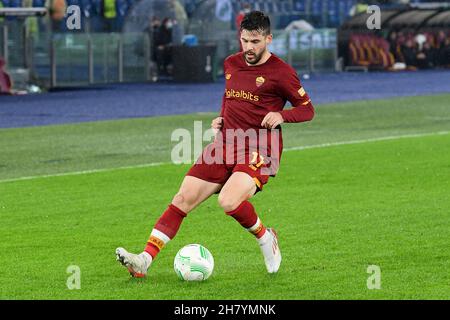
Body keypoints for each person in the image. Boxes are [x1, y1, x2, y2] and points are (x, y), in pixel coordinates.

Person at [116, 11, 315, 277]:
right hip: (225, 144)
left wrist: (281, 115)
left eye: (255, 41)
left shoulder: (281, 72)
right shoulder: (231, 63)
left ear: (268, 39)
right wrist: (221, 116)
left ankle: (266, 237)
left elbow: (307, 109)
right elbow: (229, 96)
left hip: (260, 149)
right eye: (245, 40)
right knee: (182, 199)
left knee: (229, 201)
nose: (249, 47)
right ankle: (144, 261)